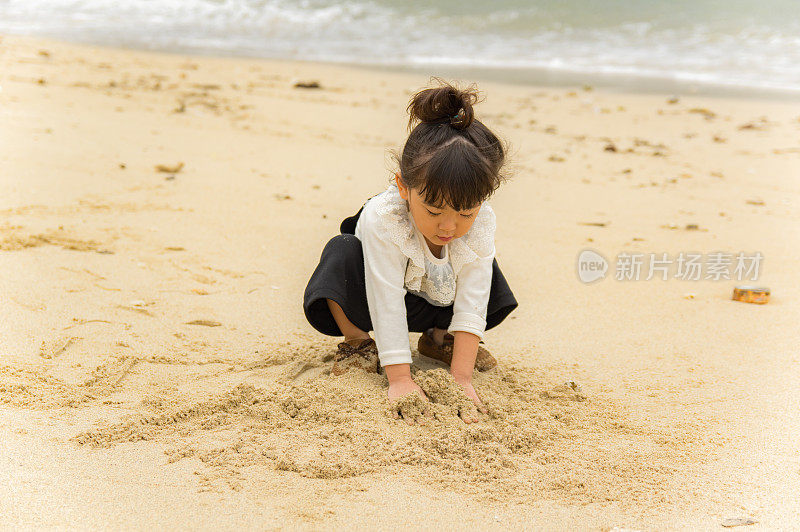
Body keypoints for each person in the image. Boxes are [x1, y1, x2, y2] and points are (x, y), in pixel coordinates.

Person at [303, 78, 518, 424]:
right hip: (372, 297)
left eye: (466, 213)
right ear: (404, 186)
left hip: (434, 300)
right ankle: (358, 344)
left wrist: (461, 379)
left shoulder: (480, 223)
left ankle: (439, 339)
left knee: (485, 265)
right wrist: (400, 378)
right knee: (340, 252)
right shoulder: (384, 219)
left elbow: (475, 297)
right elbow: (385, 297)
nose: (448, 227)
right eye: (434, 212)